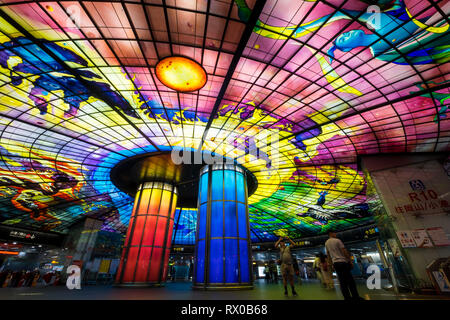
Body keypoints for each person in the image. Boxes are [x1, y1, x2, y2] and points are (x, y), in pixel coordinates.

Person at [325, 230, 363, 300]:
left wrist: (331, 264)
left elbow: (328, 255)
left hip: (336, 264)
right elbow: (344, 251)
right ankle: (355, 297)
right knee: (350, 281)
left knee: (342, 283)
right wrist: (350, 260)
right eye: (334, 232)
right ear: (330, 233)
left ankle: (347, 297)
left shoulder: (326, 243)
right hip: (343, 262)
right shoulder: (337, 240)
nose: (336, 234)